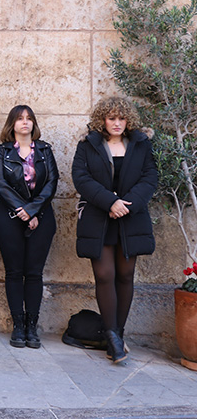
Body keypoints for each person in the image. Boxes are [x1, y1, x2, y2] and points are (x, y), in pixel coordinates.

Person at [72, 96, 157, 363]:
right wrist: (110, 202)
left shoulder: (141, 144)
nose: (117, 123)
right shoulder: (88, 145)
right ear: (103, 120)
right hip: (100, 218)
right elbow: (80, 177)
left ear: (127, 120)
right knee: (105, 274)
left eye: (121, 118)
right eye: (111, 118)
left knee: (125, 275)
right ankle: (111, 335)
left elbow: (150, 177)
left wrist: (127, 205)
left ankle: (117, 336)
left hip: (130, 218)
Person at [0, 105, 58, 349]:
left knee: (34, 272)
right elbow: (0, 183)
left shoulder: (44, 150)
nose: (25, 122)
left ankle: (32, 325)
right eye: (20, 119)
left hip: (41, 218)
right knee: (13, 272)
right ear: (12, 124)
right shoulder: (2, 152)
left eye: (29, 118)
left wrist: (34, 210)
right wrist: (22, 210)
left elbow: (52, 182)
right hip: (9, 218)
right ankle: (17, 326)